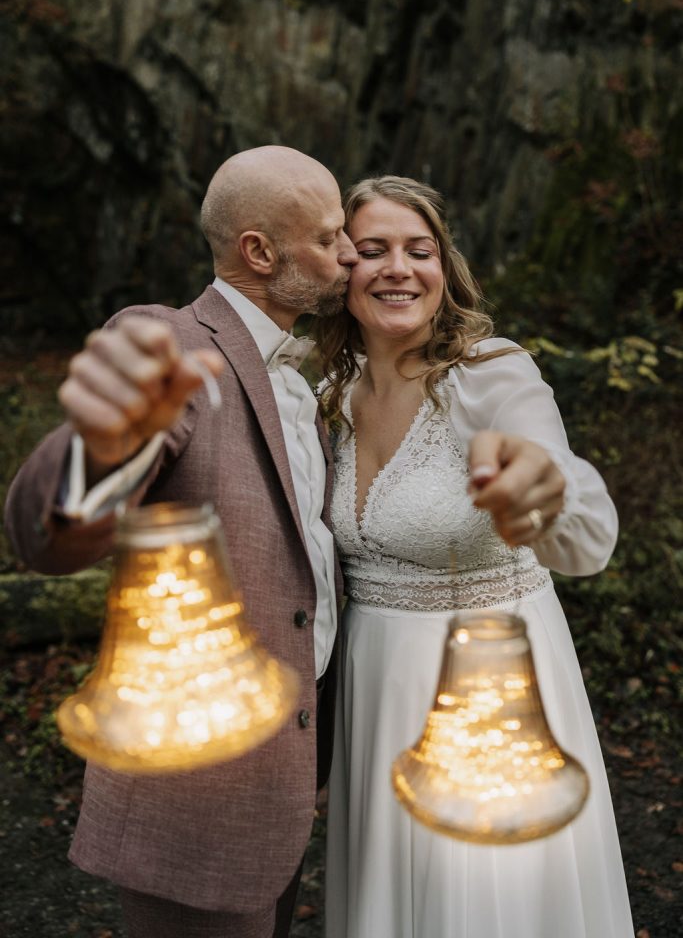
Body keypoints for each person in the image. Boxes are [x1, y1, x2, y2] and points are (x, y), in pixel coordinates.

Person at [3, 145, 359, 938]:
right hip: (195, 790)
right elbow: (46, 532)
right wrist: (98, 445)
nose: (348, 253)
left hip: (282, 783)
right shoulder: (172, 345)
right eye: (330, 237)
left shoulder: (302, 382)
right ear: (258, 252)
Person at [315, 176, 635, 938]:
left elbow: (571, 509)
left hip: (488, 688)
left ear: (443, 266)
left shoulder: (491, 372)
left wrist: (544, 488)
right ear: (340, 270)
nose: (398, 267)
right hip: (374, 686)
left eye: (417, 250)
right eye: (373, 251)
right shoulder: (329, 390)